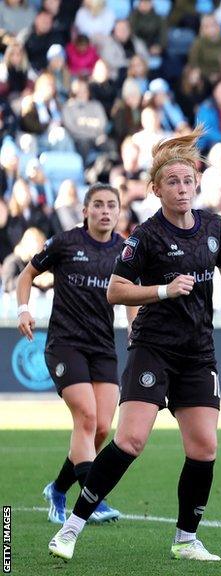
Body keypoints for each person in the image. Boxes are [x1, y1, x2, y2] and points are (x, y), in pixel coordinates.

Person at [47, 129, 221, 562]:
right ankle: (71, 527)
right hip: (153, 348)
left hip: (198, 352)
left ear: (196, 184)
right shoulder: (144, 237)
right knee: (130, 441)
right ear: (157, 189)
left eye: (187, 181)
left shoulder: (214, 227)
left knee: (204, 447)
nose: (182, 189)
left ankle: (186, 538)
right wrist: (162, 291)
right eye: (173, 183)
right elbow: (116, 291)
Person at [18, 184, 133, 527]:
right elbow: (27, 274)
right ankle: (92, 497)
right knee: (85, 416)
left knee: (99, 429)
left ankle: (57, 488)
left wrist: (134, 327)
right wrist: (24, 309)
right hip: (65, 344)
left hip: (102, 347)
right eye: (97, 205)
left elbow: (131, 294)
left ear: (118, 211)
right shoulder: (66, 242)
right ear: (85, 211)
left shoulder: (126, 250)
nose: (104, 211)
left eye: (111, 205)